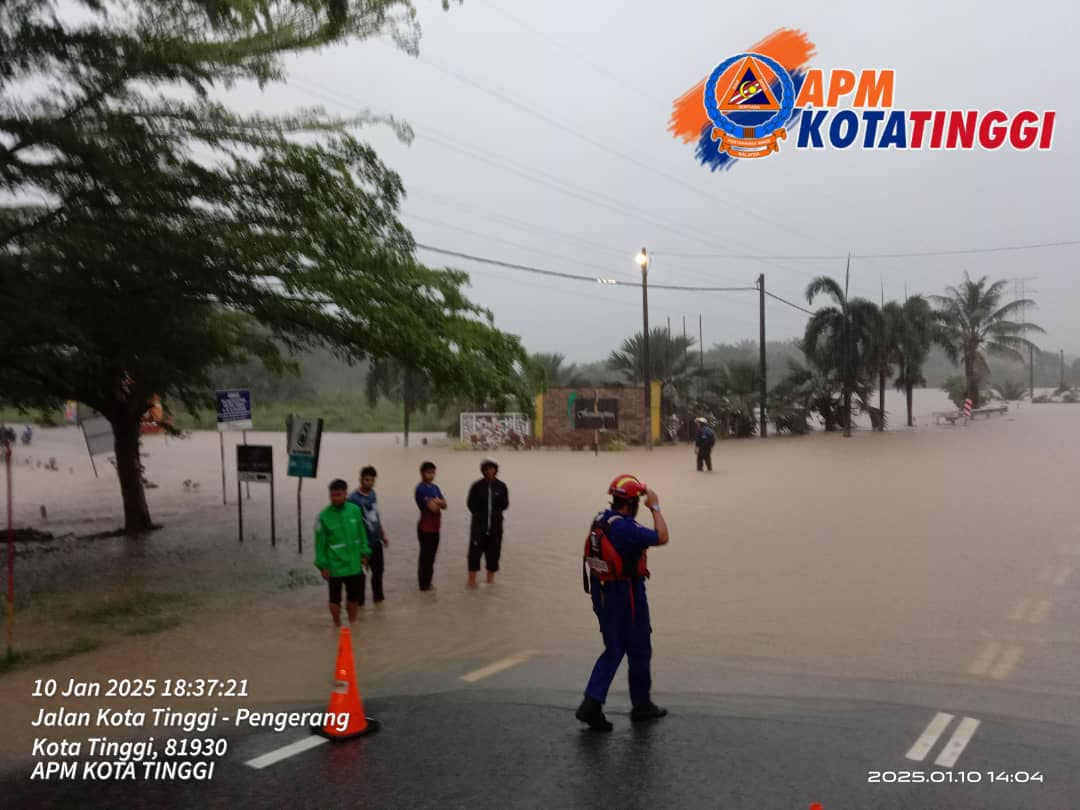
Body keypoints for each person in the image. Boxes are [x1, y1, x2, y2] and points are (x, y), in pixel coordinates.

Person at [576, 474, 670, 731]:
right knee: (636, 646)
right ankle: (615, 705)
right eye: (638, 500)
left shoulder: (601, 519)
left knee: (617, 647)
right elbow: (662, 536)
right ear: (631, 503)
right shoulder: (627, 528)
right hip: (625, 593)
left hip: (602, 590)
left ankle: (604, 704)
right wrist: (656, 507)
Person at [314, 479, 371, 627]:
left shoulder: (355, 510)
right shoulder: (323, 517)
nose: (335, 498)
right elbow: (320, 545)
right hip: (334, 566)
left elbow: (362, 533)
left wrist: (365, 553)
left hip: (354, 564)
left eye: (338, 495)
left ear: (346, 493)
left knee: (353, 598)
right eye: (332, 495)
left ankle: (353, 625)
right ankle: (337, 625)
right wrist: (322, 565)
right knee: (334, 599)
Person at [348, 466, 391, 605]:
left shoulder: (373, 494)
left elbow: (376, 516)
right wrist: (359, 549)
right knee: (360, 577)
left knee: (378, 573)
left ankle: (378, 601)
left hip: (376, 540)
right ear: (360, 479)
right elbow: (352, 525)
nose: (370, 483)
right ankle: (359, 606)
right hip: (362, 544)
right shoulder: (353, 499)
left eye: (372, 480)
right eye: (367, 480)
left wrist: (383, 534)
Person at [466, 457, 510, 588]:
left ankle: (490, 582)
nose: (490, 471)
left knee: (493, 555)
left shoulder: (501, 486)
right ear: (483, 470)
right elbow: (470, 504)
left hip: (496, 527)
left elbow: (505, 504)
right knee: (474, 554)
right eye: (487, 469)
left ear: (496, 470)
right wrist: (480, 515)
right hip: (478, 527)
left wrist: (495, 513)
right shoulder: (476, 486)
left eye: (492, 468)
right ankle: (471, 582)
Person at [415, 461, 447, 591]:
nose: (431, 475)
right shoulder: (420, 489)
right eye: (429, 472)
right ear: (422, 473)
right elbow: (433, 508)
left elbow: (445, 505)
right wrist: (438, 501)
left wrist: (436, 501)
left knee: (432, 558)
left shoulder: (435, 488)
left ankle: (429, 583)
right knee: (425, 558)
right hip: (425, 528)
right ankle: (423, 586)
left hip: (435, 528)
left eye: (433, 472)